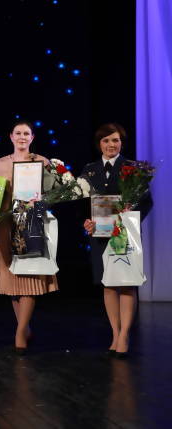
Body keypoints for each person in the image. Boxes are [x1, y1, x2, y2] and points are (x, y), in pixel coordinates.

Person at [0, 121, 57, 355]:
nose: (22, 137)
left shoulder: (42, 162)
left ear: (32, 137)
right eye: (18, 133)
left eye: (26, 133)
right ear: (11, 136)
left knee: (28, 278)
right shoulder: (0, 163)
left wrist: (41, 201)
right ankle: (24, 327)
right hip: (6, 227)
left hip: (31, 225)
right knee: (13, 282)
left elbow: (54, 194)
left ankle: (20, 333)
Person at [82, 123, 153, 358]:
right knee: (109, 283)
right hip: (100, 235)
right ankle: (115, 333)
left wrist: (128, 218)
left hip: (125, 234)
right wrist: (88, 222)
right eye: (106, 140)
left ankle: (124, 335)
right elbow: (84, 203)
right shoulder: (90, 170)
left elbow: (147, 202)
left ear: (122, 142)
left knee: (126, 283)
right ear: (99, 144)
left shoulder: (133, 168)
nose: (111, 144)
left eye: (115, 140)